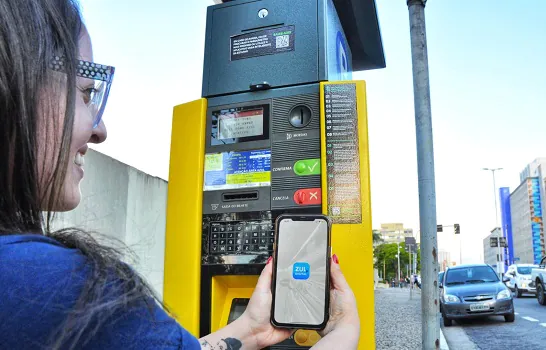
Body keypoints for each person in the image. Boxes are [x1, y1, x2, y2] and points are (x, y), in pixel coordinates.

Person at [0, 0, 360, 349]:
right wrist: (344, 335)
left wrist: (250, 331)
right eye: (85, 93)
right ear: (16, 85)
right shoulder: (65, 293)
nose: (100, 129)